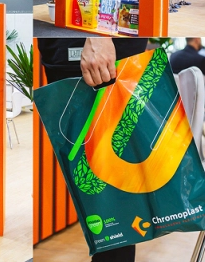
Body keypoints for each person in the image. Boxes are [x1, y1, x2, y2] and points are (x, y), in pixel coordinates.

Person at [38, 37, 149, 262]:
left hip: (105, 49)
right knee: (104, 195)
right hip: (85, 49)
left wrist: (100, 37)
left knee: (110, 197)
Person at [170, 38, 205, 107]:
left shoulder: (173, 56)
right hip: (195, 102)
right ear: (197, 39)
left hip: (175, 102)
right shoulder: (201, 59)